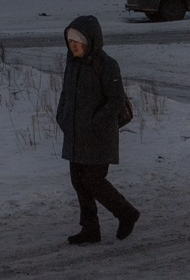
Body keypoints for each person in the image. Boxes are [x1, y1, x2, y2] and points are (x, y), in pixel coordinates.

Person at [55, 15, 140, 245]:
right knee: (78, 180)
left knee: (93, 180)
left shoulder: (106, 64)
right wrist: (61, 116)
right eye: (70, 40)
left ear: (91, 40)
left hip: (98, 137)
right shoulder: (72, 64)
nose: (74, 45)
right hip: (74, 135)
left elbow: (116, 100)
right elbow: (65, 94)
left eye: (79, 40)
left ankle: (126, 213)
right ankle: (90, 228)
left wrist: (95, 122)